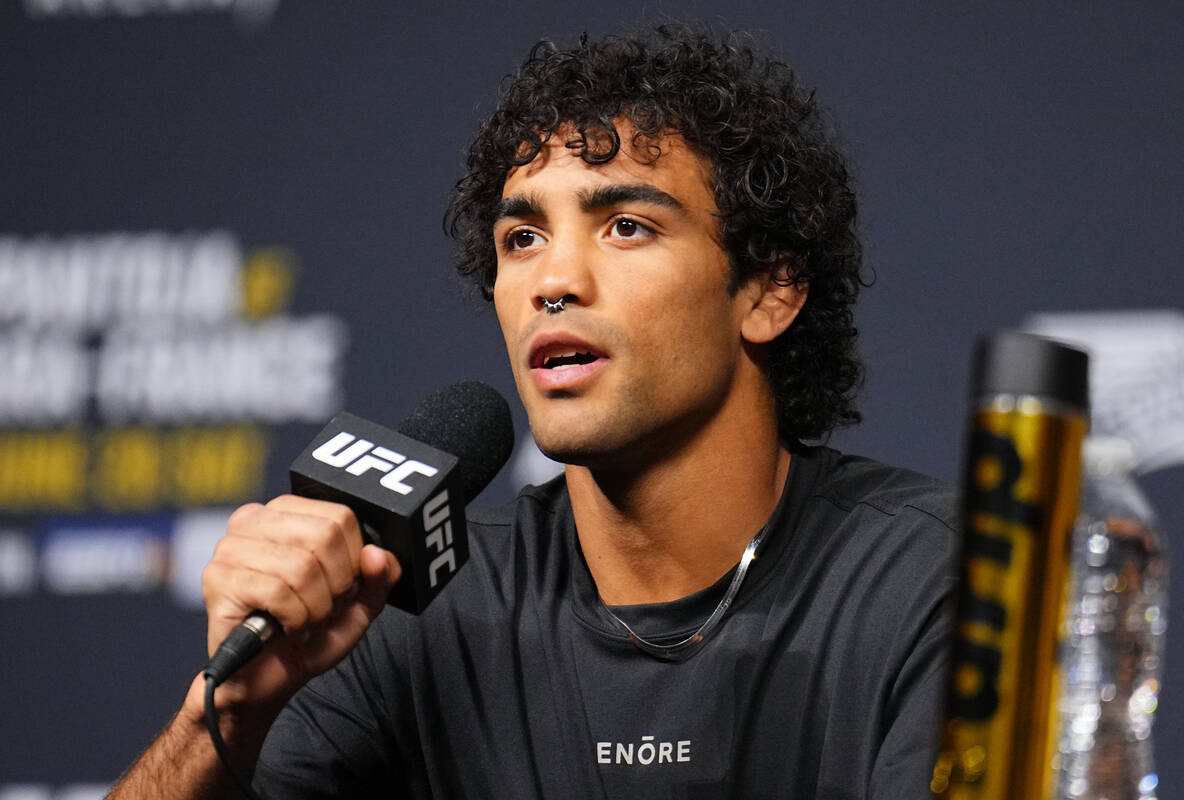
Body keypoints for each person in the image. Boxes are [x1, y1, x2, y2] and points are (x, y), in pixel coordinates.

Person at [109, 23, 956, 799]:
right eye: (523, 239)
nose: (553, 281)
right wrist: (225, 717)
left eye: (626, 226)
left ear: (771, 289)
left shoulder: (935, 582)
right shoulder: (409, 606)